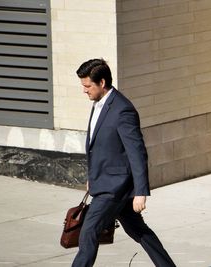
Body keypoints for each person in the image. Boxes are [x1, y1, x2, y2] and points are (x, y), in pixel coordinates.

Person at [72, 58, 176, 267]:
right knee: (138, 230)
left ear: (102, 83)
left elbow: (137, 152)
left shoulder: (122, 110)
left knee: (89, 231)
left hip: (115, 187)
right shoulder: (99, 104)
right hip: (106, 181)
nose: (84, 91)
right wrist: (93, 177)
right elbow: (99, 147)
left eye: (87, 86)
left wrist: (141, 192)